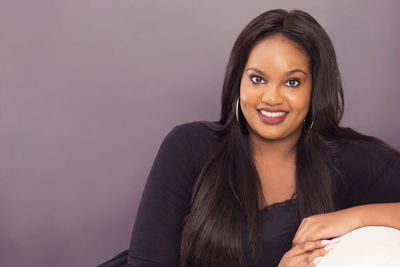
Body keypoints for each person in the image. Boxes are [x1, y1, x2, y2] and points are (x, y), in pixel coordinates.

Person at [122, 9, 400, 267]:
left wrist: (356, 218)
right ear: (238, 81)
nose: (272, 98)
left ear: (315, 89)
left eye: (292, 82)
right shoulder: (189, 146)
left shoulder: (346, 162)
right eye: (257, 79)